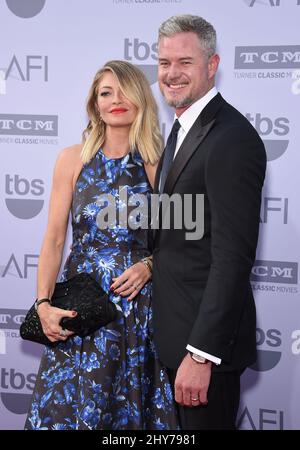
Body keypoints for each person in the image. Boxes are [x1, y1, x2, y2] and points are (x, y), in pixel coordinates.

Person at [24, 60, 178, 430]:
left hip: (136, 308)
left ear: (141, 98)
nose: (115, 100)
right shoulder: (72, 160)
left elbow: (179, 238)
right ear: (95, 104)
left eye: (123, 91)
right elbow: (55, 239)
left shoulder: (158, 164)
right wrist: (43, 304)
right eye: (105, 93)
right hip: (82, 307)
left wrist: (149, 266)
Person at [152, 15, 266, 430]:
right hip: (172, 340)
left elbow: (232, 257)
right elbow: (180, 234)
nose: (171, 74)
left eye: (185, 62)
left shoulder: (230, 138)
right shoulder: (183, 129)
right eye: (164, 63)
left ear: (212, 64)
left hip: (202, 355)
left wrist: (201, 354)